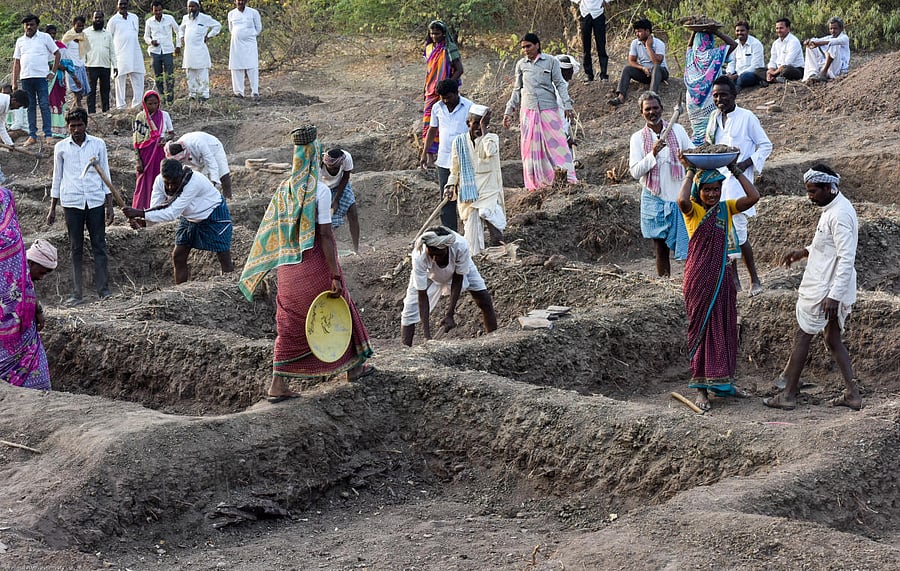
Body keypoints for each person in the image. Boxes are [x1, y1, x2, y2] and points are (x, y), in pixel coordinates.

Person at [239, 127, 374, 401]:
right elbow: (324, 234)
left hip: (287, 268)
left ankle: (277, 385)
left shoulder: (284, 188)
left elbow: (272, 228)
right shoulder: (319, 191)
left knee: (289, 324)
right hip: (313, 263)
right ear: (315, 158)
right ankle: (355, 367)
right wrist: (334, 274)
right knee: (339, 306)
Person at [764, 165, 861, 411]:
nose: (810, 196)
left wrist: (834, 296)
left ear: (829, 187)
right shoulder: (832, 209)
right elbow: (826, 244)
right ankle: (852, 393)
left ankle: (787, 395)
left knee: (803, 335)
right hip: (827, 285)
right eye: (808, 191)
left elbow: (846, 258)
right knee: (831, 338)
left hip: (827, 288)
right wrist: (804, 252)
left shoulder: (839, 215)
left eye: (813, 191)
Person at [676, 163, 760, 411]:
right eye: (707, 190)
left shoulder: (726, 209)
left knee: (724, 327)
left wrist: (734, 170)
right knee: (701, 329)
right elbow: (681, 199)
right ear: (698, 191)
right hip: (699, 278)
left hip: (723, 276)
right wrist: (690, 171)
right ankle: (701, 389)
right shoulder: (692, 211)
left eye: (717, 189)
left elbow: (754, 197)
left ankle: (725, 383)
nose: (713, 194)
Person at [704, 76, 772, 296]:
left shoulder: (747, 117)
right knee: (725, 234)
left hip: (739, 183)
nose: (719, 99)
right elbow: (708, 145)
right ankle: (734, 282)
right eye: (715, 95)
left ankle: (754, 279)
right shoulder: (714, 118)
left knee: (740, 235)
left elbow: (765, 145)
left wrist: (744, 163)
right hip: (718, 184)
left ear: (734, 95)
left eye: (723, 94)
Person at [122, 159, 233, 283]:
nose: (170, 187)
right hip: (189, 217)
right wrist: (144, 222)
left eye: (174, 183)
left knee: (223, 255)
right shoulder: (159, 181)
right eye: (167, 183)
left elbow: (172, 213)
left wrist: (140, 213)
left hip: (213, 213)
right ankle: (181, 292)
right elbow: (155, 208)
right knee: (178, 256)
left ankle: (228, 285)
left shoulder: (194, 181)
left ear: (181, 175)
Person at [47, 108, 113, 306]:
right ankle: (77, 293)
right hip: (71, 201)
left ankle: (103, 290)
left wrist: (109, 205)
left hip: (94, 200)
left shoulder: (98, 145)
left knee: (99, 245)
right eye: (72, 126)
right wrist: (52, 207)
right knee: (76, 247)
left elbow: (105, 174)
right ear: (68, 127)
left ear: (86, 125)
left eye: (80, 125)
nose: (76, 129)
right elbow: (56, 177)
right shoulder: (61, 147)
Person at [629, 91, 692, 277]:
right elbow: (635, 172)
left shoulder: (678, 130)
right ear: (642, 113)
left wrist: (685, 160)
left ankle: (689, 284)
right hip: (654, 197)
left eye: (655, 108)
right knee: (660, 247)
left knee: (687, 245)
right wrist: (652, 154)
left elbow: (692, 156)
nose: (652, 112)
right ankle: (665, 285)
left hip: (678, 196)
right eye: (647, 109)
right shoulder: (637, 138)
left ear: (662, 109)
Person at [400, 226, 497, 346]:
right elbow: (422, 295)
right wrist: (427, 337)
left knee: (484, 298)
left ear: (448, 248)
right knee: (409, 310)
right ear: (427, 249)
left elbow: (458, 278)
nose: (435, 259)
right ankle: (405, 351)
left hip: (457, 267)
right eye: (432, 254)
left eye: (440, 254)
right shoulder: (419, 255)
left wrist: (450, 314)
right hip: (428, 273)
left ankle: (493, 341)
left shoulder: (460, 246)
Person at [503, 33, 576, 191]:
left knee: (558, 144)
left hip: (548, 108)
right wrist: (508, 111)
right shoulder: (521, 65)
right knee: (531, 149)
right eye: (523, 47)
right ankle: (537, 183)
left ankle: (567, 179)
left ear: (537, 45)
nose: (525, 50)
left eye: (528, 46)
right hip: (528, 111)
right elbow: (517, 89)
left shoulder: (551, 61)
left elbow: (560, 84)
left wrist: (568, 105)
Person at [0, 187, 51, 391]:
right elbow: (21, 281)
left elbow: (21, 278)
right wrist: (36, 308)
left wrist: (35, 307)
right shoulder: (11, 237)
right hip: (16, 324)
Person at [445, 104, 506, 256]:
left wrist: (484, 129)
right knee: (472, 242)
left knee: (487, 215)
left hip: (489, 188)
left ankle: (500, 251)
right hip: (469, 192)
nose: (479, 127)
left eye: (483, 123)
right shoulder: (458, 142)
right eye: (476, 123)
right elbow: (455, 169)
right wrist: (450, 185)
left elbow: (490, 151)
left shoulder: (491, 139)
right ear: (468, 123)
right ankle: (479, 261)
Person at [420, 78, 473, 231]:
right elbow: (432, 130)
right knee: (446, 198)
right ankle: (451, 234)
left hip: (465, 160)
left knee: (467, 197)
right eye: (442, 97)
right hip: (444, 161)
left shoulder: (470, 107)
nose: (445, 100)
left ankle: (470, 233)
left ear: (457, 93)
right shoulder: (437, 107)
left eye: (448, 97)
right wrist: (425, 153)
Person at [12, 14, 60, 146]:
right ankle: (32, 135)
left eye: (32, 24)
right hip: (26, 77)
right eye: (26, 25)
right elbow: (16, 62)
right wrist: (14, 82)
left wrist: (53, 72)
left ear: (36, 25)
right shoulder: (20, 41)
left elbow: (57, 53)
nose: (29, 27)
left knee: (44, 104)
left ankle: (48, 135)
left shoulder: (45, 37)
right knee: (30, 106)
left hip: (41, 77)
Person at [683, 26, 736, 144]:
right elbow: (733, 44)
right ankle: (710, 147)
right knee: (711, 125)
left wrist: (694, 31)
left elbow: (689, 46)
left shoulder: (691, 55)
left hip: (692, 98)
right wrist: (716, 32)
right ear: (711, 40)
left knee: (697, 128)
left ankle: (697, 147)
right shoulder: (715, 54)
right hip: (709, 97)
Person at [421, 20, 463, 162]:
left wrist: (449, 84)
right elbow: (429, 71)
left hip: (446, 91)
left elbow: (459, 69)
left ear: (443, 33)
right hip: (431, 90)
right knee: (428, 123)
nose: (434, 36)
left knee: (446, 122)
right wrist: (425, 88)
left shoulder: (449, 48)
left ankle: (447, 156)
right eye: (431, 33)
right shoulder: (428, 48)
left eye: (437, 33)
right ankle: (430, 158)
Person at [608, 19, 668, 107]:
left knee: (656, 67)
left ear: (647, 31)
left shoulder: (659, 43)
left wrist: (648, 46)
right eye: (636, 32)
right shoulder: (635, 43)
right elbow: (631, 61)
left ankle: (651, 97)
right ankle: (620, 97)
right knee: (627, 69)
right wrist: (642, 68)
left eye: (639, 31)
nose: (637, 34)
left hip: (660, 73)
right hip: (646, 73)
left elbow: (657, 62)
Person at [132, 90, 175, 209]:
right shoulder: (140, 117)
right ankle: (140, 208)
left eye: (155, 103)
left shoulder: (164, 115)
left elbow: (171, 133)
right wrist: (138, 160)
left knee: (160, 178)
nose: (153, 106)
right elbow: (136, 140)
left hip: (160, 151)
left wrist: (165, 139)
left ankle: (160, 208)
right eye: (150, 104)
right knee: (143, 181)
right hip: (145, 153)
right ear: (144, 104)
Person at [164, 131, 232, 198]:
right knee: (196, 180)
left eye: (182, 159)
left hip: (213, 149)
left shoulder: (198, 143)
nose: (181, 161)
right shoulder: (174, 153)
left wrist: (214, 181)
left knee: (223, 174)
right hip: (194, 160)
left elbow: (211, 163)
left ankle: (227, 197)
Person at [107, 0, 146, 110]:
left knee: (138, 78)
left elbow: (135, 34)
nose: (123, 6)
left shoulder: (134, 17)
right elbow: (109, 38)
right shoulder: (113, 21)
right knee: (119, 80)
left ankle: (137, 105)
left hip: (135, 53)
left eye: (125, 4)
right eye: (121, 4)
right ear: (117, 6)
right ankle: (121, 106)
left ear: (128, 5)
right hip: (120, 55)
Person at [45, 25, 81, 138]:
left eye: (54, 33)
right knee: (49, 102)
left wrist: (75, 78)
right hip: (46, 77)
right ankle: (50, 128)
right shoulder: (42, 45)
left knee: (58, 102)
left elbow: (68, 64)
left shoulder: (60, 46)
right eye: (49, 33)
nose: (52, 35)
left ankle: (59, 128)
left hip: (59, 78)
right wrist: (54, 65)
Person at [181, 0, 222, 101]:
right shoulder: (185, 18)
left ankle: (204, 95)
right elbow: (180, 29)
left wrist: (209, 35)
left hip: (200, 51)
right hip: (188, 51)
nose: (191, 9)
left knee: (202, 72)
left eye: (193, 6)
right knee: (190, 72)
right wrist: (181, 37)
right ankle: (193, 94)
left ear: (198, 7)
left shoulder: (205, 18)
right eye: (189, 7)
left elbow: (218, 26)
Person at [321, 148, 360, 253]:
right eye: (331, 167)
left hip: (340, 185)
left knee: (353, 211)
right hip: (323, 188)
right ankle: (330, 250)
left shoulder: (346, 158)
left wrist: (336, 200)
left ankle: (356, 249)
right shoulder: (318, 163)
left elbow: (345, 177)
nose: (334, 170)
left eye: (336, 168)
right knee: (327, 221)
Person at [144, 0, 183, 105]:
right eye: (156, 10)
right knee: (158, 76)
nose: (158, 12)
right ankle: (161, 98)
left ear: (162, 10)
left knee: (169, 75)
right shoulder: (149, 21)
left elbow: (178, 31)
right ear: (152, 11)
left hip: (168, 50)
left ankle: (170, 100)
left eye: (160, 10)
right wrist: (151, 42)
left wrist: (178, 45)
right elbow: (146, 36)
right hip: (155, 52)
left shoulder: (169, 19)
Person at [228, 0, 263, 99]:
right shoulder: (231, 14)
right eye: (238, 0)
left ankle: (255, 92)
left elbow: (258, 27)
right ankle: (239, 92)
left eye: (243, 0)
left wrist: (250, 35)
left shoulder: (253, 12)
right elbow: (231, 29)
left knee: (252, 66)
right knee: (236, 67)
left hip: (250, 44)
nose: (240, 2)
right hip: (236, 45)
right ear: (235, 1)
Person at [571, 0, 611, 83]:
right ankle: (588, 74)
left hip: (598, 12)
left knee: (601, 45)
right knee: (586, 47)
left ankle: (604, 74)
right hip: (585, 13)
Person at [83, 11, 115, 114]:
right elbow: (82, 51)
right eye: (96, 17)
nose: (98, 20)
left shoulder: (108, 34)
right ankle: (91, 113)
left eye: (100, 18)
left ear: (103, 19)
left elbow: (112, 51)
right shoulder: (86, 33)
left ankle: (105, 111)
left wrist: (115, 66)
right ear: (92, 18)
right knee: (91, 91)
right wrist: (83, 65)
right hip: (90, 66)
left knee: (105, 90)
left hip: (105, 66)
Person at [803, 17, 850, 83]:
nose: (833, 31)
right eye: (831, 29)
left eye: (835, 28)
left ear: (841, 28)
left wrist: (818, 43)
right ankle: (812, 73)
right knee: (810, 47)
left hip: (838, 68)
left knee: (833, 43)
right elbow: (816, 40)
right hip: (829, 67)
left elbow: (833, 41)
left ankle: (824, 72)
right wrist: (809, 42)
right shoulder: (830, 37)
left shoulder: (844, 37)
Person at [724, 21, 767, 92]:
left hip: (752, 74)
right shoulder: (735, 44)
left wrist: (736, 76)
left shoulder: (755, 44)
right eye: (737, 31)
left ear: (747, 31)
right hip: (736, 73)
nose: (739, 33)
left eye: (742, 30)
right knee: (720, 74)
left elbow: (755, 66)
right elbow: (732, 62)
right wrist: (729, 73)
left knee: (743, 77)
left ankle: (735, 89)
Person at [26, 238, 58, 332]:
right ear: (31, 263)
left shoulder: (25, 276)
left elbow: (29, 292)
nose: (41, 278)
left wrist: (38, 311)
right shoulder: (10, 276)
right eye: (41, 273)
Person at [61, 15, 92, 109]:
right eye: (78, 25)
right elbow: (62, 50)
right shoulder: (68, 36)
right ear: (73, 24)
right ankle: (78, 105)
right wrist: (66, 65)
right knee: (76, 88)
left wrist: (86, 64)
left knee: (82, 88)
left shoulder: (83, 36)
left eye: (82, 26)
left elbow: (86, 50)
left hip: (81, 64)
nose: (80, 28)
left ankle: (74, 106)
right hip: (72, 66)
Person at [0, 90, 29, 184]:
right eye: (18, 106)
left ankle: (1, 179)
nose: (17, 108)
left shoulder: (4, 106)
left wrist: (10, 144)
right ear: (14, 100)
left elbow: (1, 127)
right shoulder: (1, 103)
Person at [766, 18, 804, 83]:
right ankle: (774, 78)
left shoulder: (794, 41)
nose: (778, 30)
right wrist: (770, 71)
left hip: (795, 69)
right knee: (758, 71)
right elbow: (773, 59)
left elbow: (787, 62)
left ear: (788, 28)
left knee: (787, 70)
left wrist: (774, 72)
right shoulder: (775, 43)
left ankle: (776, 78)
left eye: (781, 28)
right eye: (777, 28)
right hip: (778, 70)